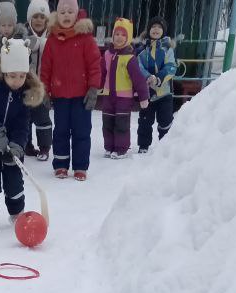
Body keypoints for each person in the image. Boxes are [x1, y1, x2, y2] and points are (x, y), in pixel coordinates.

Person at [0, 37, 45, 233]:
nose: (17, 81)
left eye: (22, 76)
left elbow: (23, 124)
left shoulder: (24, 94)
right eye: (12, 76)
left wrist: (17, 145)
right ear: (4, 72)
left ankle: (16, 215)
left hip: (11, 148)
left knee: (15, 183)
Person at [39, 0, 101, 180]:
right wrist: (44, 90)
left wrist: (93, 88)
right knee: (61, 131)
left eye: (70, 12)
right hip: (60, 97)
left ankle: (80, 166)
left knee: (82, 131)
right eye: (62, 12)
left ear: (77, 14)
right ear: (57, 15)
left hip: (82, 96)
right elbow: (46, 68)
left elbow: (94, 65)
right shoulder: (52, 40)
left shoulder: (86, 38)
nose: (66, 15)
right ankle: (60, 164)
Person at [97, 18, 149, 157]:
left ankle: (121, 149)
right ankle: (109, 147)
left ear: (128, 38)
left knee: (121, 123)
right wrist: (96, 86)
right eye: (117, 34)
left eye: (123, 35)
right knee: (107, 122)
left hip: (124, 98)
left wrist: (143, 96)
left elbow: (138, 79)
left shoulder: (130, 58)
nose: (119, 37)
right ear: (112, 35)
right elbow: (101, 73)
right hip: (108, 95)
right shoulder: (107, 55)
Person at [135, 15, 177, 152]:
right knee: (145, 121)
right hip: (147, 92)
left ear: (163, 31)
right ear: (148, 30)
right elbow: (138, 66)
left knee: (165, 121)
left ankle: (164, 146)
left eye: (159, 27)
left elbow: (171, 67)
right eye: (153, 27)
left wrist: (158, 78)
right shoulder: (142, 49)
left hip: (164, 93)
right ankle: (143, 146)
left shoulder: (168, 49)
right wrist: (148, 77)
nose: (156, 29)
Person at [25, 0, 52, 158]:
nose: (39, 20)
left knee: (42, 119)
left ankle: (44, 148)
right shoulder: (23, 37)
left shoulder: (52, 39)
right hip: (25, 86)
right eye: (35, 16)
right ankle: (26, 145)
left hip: (42, 87)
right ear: (30, 18)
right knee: (25, 118)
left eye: (42, 17)